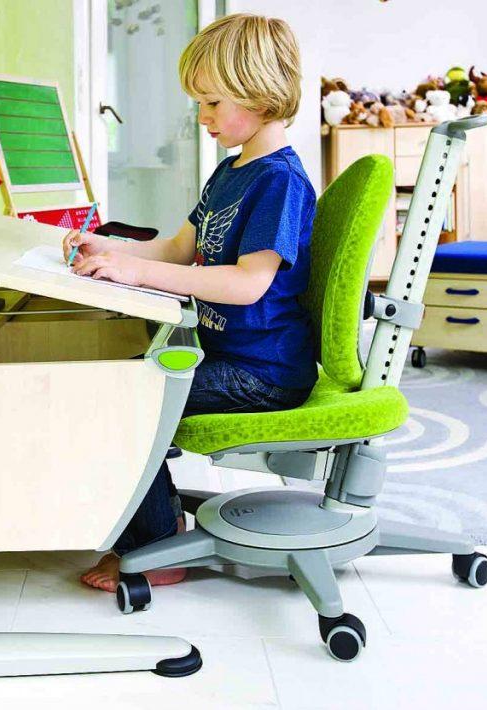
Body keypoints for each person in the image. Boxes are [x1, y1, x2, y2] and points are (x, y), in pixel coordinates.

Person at [63, 13, 318, 592]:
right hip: (231, 358)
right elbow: (180, 247)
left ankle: (159, 548)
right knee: (125, 383)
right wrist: (110, 248)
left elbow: (249, 284)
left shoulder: (279, 180)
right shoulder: (231, 171)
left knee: (129, 398)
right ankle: (159, 526)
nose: (201, 116)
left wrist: (138, 273)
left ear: (260, 96)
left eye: (212, 103)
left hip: (264, 373)